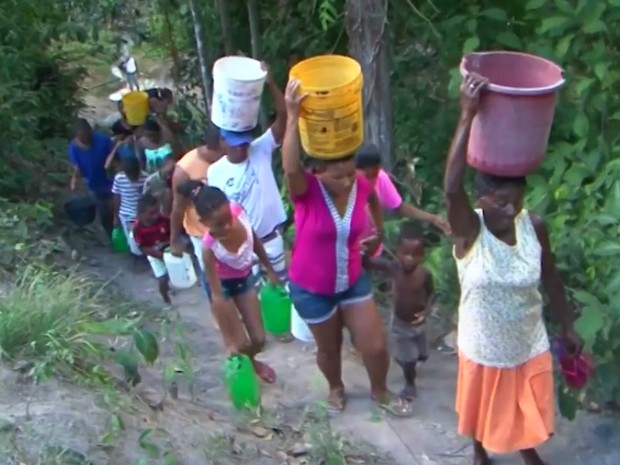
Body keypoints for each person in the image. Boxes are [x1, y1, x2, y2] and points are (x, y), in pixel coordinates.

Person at [445, 73, 581, 465]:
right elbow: (451, 189)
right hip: (483, 343)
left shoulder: (532, 226)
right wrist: (467, 115)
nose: (509, 210)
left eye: (516, 201)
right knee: (479, 405)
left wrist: (567, 326)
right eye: (500, 202)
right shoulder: (470, 230)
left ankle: (527, 451)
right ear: (480, 198)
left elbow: (550, 277)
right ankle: (478, 450)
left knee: (526, 407)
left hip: (526, 340)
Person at [281, 79, 412, 417]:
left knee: (375, 345)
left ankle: (380, 392)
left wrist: (376, 234)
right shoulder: (306, 191)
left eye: (349, 170)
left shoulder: (362, 185)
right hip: (312, 287)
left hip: (352, 278)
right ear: (318, 171)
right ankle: (336, 387)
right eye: (336, 173)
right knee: (329, 348)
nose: (346, 178)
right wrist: (293, 115)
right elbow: (291, 167)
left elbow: (374, 202)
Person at [177, 180, 280, 383]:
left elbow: (253, 238)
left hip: (243, 278)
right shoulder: (208, 248)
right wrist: (228, 336)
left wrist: (269, 268)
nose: (227, 227)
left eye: (227, 219)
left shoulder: (238, 212)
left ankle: (252, 361)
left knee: (259, 339)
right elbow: (217, 295)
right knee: (238, 345)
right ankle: (249, 366)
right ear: (204, 223)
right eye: (218, 225)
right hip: (221, 287)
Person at [207, 62, 288, 284]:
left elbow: (283, 116)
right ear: (223, 142)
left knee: (281, 292)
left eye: (244, 143)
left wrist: (270, 84)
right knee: (252, 297)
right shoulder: (215, 172)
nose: (242, 148)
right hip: (243, 247)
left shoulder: (260, 149)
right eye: (236, 145)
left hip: (272, 240)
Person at [364, 221, 433, 400]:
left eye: (416, 254)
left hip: (418, 323)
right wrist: (363, 250)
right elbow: (369, 263)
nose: (410, 258)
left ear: (423, 255)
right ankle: (410, 384)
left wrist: (426, 312)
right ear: (398, 252)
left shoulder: (424, 274)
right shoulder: (393, 268)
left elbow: (431, 294)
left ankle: (412, 358)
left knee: (421, 354)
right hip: (400, 323)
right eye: (406, 253)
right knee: (408, 359)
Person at [356, 143, 451, 250]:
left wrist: (433, 218)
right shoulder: (346, 186)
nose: (372, 182)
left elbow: (398, 206)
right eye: (368, 177)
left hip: (371, 248)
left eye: (375, 176)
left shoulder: (381, 179)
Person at [170, 127, 224, 300]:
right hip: (202, 234)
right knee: (212, 278)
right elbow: (178, 208)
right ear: (216, 146)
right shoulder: (185, 170)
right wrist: (174, 239)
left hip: (228, 228)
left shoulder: (229, 159)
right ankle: (217, 309)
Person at [68, 118, 115, 237]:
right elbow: (77, 166)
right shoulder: (73, 148)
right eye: (81, 137)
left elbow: (115, 156)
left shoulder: (103, 140)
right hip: (95, 184)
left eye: (87, 136)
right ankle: (111, 237)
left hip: (112, 181)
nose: (85, 139)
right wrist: (74, 179)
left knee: (118, 210)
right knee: (105, 214)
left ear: (91, 131)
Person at [133, 194, 172, 305]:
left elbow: (171, 234)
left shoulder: (163, 220)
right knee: (162, 278)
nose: (155, 216)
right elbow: (144, 248)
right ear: (141, 214)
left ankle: (171, 285)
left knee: (173, 271)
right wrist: (161, 256)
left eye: (156, 212)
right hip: (153, 254)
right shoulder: (138, 228)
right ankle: (165, 297)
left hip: (167, 249)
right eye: (151, 213)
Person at [112, 155, 149, 256]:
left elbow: (147, 198)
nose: (133, 178)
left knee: (143, 237)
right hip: (126, 215)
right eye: (130, 176)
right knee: (131, 238)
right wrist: (115, 217)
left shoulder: (146, 178)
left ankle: (144, 255)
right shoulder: (119, 178)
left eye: (135, 175)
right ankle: (134, 255)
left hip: (141, 215)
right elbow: (117, 198)